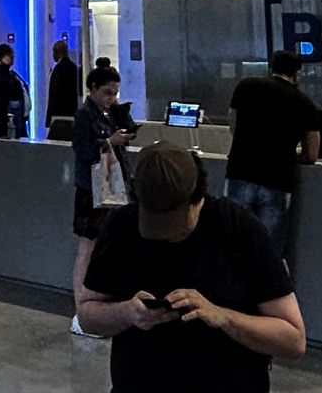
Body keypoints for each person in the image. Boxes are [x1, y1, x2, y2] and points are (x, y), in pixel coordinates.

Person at [78, 142, 306, 392]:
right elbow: (87, 315)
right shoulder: (121, 226)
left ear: (196, 199)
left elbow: (292, 340)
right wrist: (127, 313)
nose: (166, 236)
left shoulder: (237, 228)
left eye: (174, 224)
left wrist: (222, 316)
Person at [225, 50, 320, 255]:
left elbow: (233, 125)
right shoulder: (305, 103)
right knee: (268, 251)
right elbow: (312, 153)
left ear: (271, 68)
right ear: (297, 73)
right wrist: (286, 155)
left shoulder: (246, 87)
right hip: (277, 180)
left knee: (232, 243)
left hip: (240, 172)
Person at [70, 64, 132, 335]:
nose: (111, 97)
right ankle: (82, 309)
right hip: (91, 189)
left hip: (106, 187)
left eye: (115, 93)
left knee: (101, 247)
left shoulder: (107, 113)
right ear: (93, 89)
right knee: (87, 247)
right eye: (107, 92)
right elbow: (82, 148)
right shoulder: (85, 115)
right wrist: (108, 141)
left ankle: (96, 306)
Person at [0, 45, 27, 139]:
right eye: (12, 56)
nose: (13, 58)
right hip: (6, 117)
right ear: (5, 56)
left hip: (16, 116)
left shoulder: (10, 73)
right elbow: (4, 91)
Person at [46, 39, 79, 128]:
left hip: (59, 114)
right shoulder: (73, 67)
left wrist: (50, 118)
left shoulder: (58, 69)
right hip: (71, 112)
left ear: (56, 52)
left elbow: (54, 94)